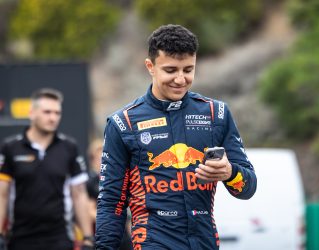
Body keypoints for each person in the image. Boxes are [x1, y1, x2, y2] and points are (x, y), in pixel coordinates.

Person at [95, 24, 257, 249]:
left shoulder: (216, 114)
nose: (180, 79)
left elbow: (248, 188)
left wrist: (230, 173)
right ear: (150, 66)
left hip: (204, 242)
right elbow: (112, 203)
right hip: (153, 242)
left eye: (188, 70)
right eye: (171, 70)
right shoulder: (123, 123)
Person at [0, 88, 94, 250]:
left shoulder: (69, 147)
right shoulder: (11, 147)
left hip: (59, 238)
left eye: (57, 113)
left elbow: (79, 194)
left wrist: (87, 237)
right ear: (32, 113)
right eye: (47, 112)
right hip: (20, 238)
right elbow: (2, 194)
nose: (53, 118)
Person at [86, 139, 132, 250]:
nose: (103, 161)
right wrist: (111, 216)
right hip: (102, 233)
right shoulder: (91, 181)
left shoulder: (117, 178)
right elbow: (90, 211)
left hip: (122, 233)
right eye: (99, 158)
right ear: (92, 160)